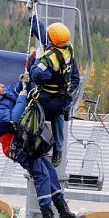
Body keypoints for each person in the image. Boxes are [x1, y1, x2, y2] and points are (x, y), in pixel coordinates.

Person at [0, 76, 85, 218]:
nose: (1, 84)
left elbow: (15, 89)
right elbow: (14, 119)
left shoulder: (1, 96)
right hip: (17, 145)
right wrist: (21, 97)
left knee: (49, 170)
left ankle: (62, 210)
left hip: (24, 140)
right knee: (41, 175)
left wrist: (22, 82)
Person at [28, 13, 80, 167]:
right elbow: (45, 34)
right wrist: (33, 17)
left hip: (48, 99)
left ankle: (33, 142)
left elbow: (36, 75)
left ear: (52, 41)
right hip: (62, 97)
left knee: (32, 110)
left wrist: (36, 58)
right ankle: (58, 149)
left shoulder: (50, 59)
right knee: (58, 116)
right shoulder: (67, 48)